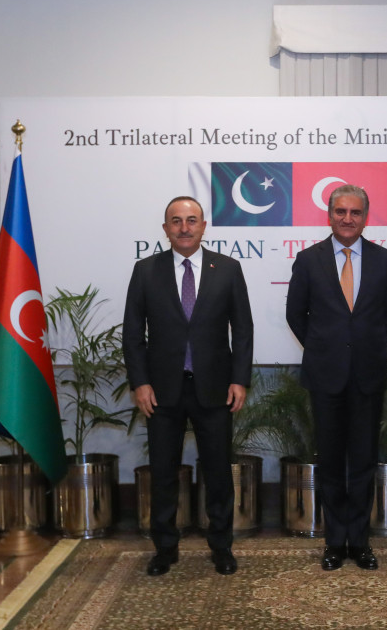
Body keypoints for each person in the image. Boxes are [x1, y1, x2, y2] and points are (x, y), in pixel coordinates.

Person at [123, 196, 254, 576]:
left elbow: (242, 330)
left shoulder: (227, 269)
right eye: (176, 221)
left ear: (203, 226)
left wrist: (239, 379)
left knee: (217, 473)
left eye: (191, 220)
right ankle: (164, 548)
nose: (184, 227)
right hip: (162, 391)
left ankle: (222, 548)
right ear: (165, 228)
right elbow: (133, 335)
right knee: (163, 474)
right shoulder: (146, 271)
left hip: (215, 388)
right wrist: (140, 383)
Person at [286, 184, 387, 571]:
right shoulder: (308, 260)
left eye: (355, 212)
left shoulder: (385, 260)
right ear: (329, 215)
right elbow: (295, 316)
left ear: (365, 217)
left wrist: (362, 347)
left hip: (368, 377)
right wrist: (326, 349)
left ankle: (361, 541)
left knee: (364, 463)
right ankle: (335, 542)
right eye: (340, 211)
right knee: (332, 463)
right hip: (325, 378)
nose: (347, 218)